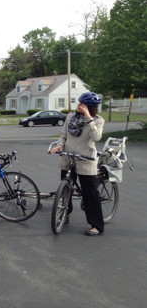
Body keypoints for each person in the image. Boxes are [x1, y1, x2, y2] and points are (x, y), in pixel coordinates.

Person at [50, 92, 105, 236]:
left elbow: (96, 137)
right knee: (65, 189)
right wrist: (60, 145)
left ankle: (96, 225)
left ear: (91, 108)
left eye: (83, 104)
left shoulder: (97, 121)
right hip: (68, 158)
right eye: (79, 103)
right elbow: (63, 135)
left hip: (85, 160)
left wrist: (88, 118)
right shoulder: (70, 117)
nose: (79, 106)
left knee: (90, 194)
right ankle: (65, 214)